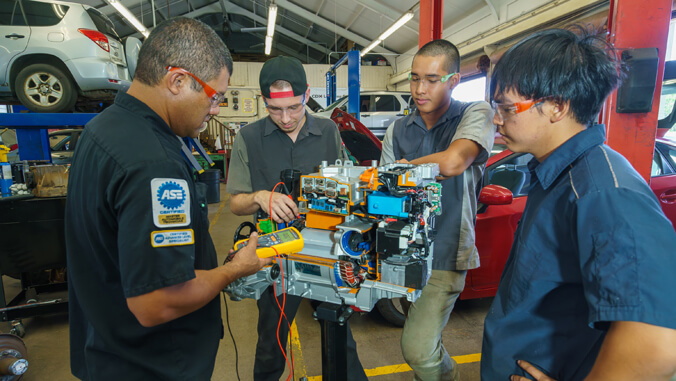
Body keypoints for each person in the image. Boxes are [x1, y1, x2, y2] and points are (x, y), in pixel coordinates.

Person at [65, 17, 270, 380]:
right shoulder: (152, 164)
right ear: (177, 81)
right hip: (155, 363)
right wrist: (233, 270)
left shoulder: (103, 129)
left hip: (109, 348)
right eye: (215, 96)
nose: (217, 109)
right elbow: (156, 302)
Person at [480, 26, 676, 381]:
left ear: (556, 106)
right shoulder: (557, 173)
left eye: (507, 108)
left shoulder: (603, 194)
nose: (497, 119)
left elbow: (659, 343)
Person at [227, 56, 368, 381]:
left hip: (324, 250)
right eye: (276, 110)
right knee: (271, 343)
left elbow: (344, 186)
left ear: (306, 96)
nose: (286, 118)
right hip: (275, 256)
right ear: (264, 101)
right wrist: (261, 197)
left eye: (294, 107)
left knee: (340, 335)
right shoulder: (248, 138)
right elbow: (235, 202)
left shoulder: (329, 131)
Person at [380, 39, 496, 380]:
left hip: (446, 252)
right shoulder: (398, 129)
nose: (419, 88)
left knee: (416, 348)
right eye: (415, 78)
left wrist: (404, 168)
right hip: (403, 253)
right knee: (426, 342)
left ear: (454, 80)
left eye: (431, 79)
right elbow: (383, 192)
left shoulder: (475, 113)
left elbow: (454, 161)